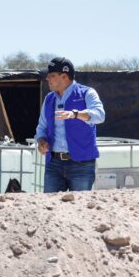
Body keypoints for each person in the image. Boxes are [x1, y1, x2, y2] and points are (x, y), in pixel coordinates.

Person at [34, 57, 105, 193]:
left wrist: (76, 114)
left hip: (82, 165)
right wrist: (41, 141)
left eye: (52, 75)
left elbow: (100, 115)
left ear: (64, 76)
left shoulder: (87, 93)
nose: (47, 78)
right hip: (53, 164)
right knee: (50, 209)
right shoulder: (49, 99)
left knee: (79, 209)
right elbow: (41, 128)